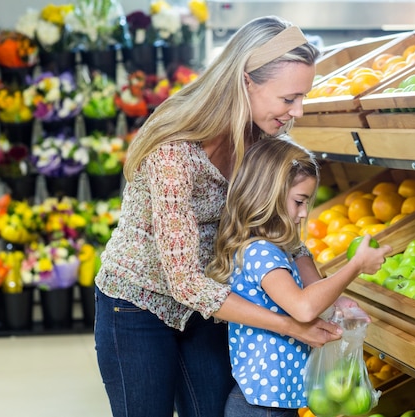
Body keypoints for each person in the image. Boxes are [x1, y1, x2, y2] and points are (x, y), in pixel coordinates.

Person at [94, 15, 358, 417]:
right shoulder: (175, 150)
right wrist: (288, 323)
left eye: (302, 97)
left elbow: (282, 227)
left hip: (214, 302)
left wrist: (319, 296)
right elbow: (183, 281)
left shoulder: (264, 142)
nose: (298, 112)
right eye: (289, 98)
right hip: (137, 303)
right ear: (246, 80)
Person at [206, 137, 391, 417]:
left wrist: (337, 303)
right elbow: (303, 308)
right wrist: (355, 266)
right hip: (262, 408)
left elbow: (313, 293)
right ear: (266, 194)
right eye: (299, 201)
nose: (304, 213)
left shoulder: (276, 247)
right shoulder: (260, 252)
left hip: (271, 401)